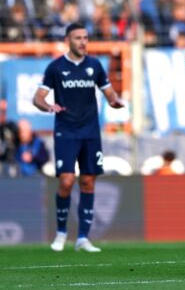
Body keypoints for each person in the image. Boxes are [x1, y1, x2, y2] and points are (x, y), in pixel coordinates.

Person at [32, 22, 124, 252]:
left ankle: (83, 237)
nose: (83, 42)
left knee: (88, 181)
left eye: (85, 37)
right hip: (66, 131)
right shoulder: (55, 67)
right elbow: (38, 98)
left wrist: (115, 101)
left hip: (90, 131)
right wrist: (48, 106)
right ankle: (61, 233)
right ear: (68, 40)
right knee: (66, 181)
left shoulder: (95, 65)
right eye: (78, 38)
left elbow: (109, 92)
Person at [0, 100, 19, 177]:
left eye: (4, 111)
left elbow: (18, 142)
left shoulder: (12, 126)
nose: (2, 113)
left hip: (10, 161)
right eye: (0, 111)